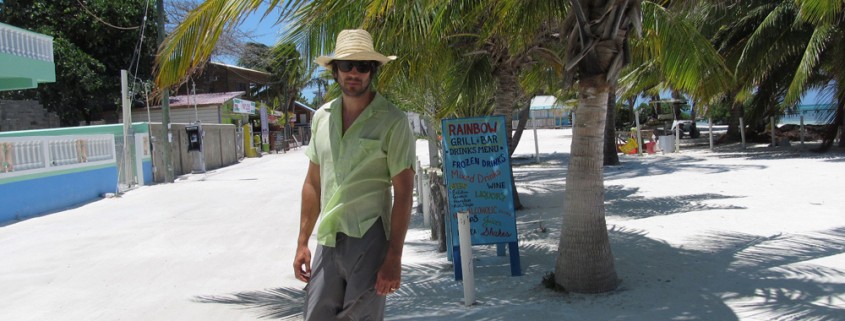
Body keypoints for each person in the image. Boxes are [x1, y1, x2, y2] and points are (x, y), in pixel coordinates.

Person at [293, 29, 416, 321]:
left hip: (370, 238)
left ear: (372, 71)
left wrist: (394, 257)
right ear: (335, 71)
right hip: (328, 238)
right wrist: (302, 242)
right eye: (347, 65)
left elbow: (404, 193)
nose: (354, 73)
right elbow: (312, 183)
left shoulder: (393, 121)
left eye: (363, 66)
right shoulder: (321, 118)